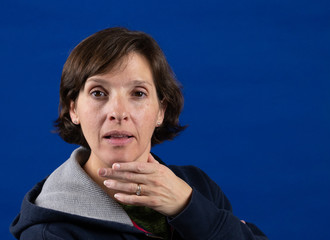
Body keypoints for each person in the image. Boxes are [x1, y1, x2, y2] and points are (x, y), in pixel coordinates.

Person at [10, 27, 268, 240]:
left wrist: (188, 207)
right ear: (73, 109)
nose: (118, 112)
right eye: (98, 93)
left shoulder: (198, 187)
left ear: (161, 110)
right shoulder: (49, 231)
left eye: (138, 93)